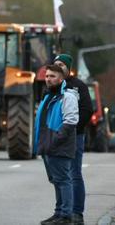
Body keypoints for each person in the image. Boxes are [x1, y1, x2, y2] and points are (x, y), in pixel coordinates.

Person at [35, 64, 79, 225]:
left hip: (58, 145)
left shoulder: (68, 97)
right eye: (47, 76)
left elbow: (71, 121)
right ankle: (59, 213)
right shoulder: (49, 96)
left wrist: (56, 140)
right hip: (48, 144)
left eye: (52, 76)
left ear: (61, 79)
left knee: (63, 180)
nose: (48, 79)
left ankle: (66, 216)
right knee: (57, 180)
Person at [53, 54, 93, 225]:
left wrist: (72, 129)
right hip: (56, 138)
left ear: (68, 67)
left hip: (75, 136)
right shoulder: (53, 86)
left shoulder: (78, 86)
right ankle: (62, 212)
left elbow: (87, 110)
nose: (58, 67)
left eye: (61, 64)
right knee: (60, 176)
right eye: (55, 64)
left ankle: (77, 213)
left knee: (74, 174)